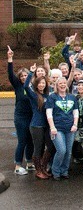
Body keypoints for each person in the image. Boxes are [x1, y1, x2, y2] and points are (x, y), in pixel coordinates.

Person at [6, 46, 34, 175]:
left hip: (32, 117)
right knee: (22, 140)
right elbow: (10, 74)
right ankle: (17, 166)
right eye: (22, 76)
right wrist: (10, 58)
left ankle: (29, 162)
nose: (24, 77)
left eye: (26, 75)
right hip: (21, 117)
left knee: (30, 140)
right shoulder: (18, 86)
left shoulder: (33, 87)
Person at [46, 77, 79, 180]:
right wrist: (52, 127)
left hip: (70, 128)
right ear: (57, 85)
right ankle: (55, 171)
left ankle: (64, 171)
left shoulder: (72, 97)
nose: (62, 85)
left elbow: (76, 112)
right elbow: (49, 113)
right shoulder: (52, 97)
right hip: (57, 128)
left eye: (64, 83)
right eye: (60, 83)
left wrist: (75, 124)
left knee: (68, 151)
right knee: (61, 150)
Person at [24, 69, 53, 179]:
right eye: (40, 83)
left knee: (50, 146)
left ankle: (43, 166)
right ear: (36, 84)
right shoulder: (33, 95)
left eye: (43, 83)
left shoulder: (48, 95)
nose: (41, 85)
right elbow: (26, 87)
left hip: (47, 125)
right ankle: (38, 171)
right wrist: (31, 73)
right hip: (37, 125)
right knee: (38, 147)